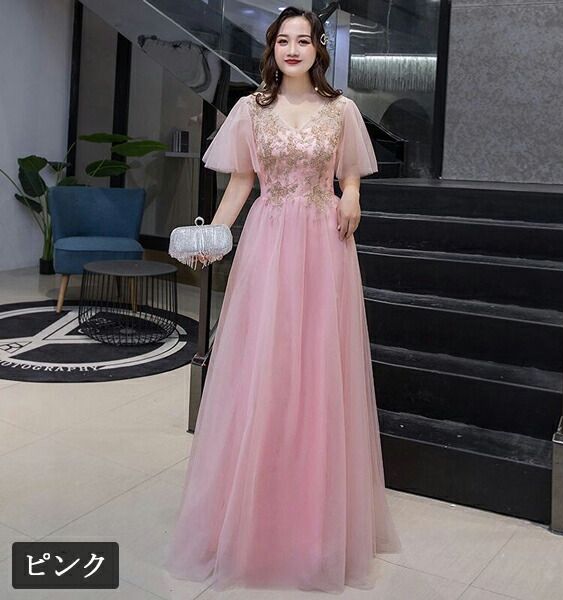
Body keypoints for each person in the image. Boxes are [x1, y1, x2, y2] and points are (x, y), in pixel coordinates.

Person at [163, 6, 402, 593]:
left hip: (324, 244)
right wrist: (216, 237)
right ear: (271, 49)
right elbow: (241, 182)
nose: (293, 49)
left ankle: (315, 525)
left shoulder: (342, 110)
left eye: (304, 40)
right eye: (283, 40)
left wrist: (352, 195)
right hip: (268, 243)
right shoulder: (251, 109)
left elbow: (351, 172)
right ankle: (250, 514)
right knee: (262, 367)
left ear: (319, 49)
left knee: (318, 369)